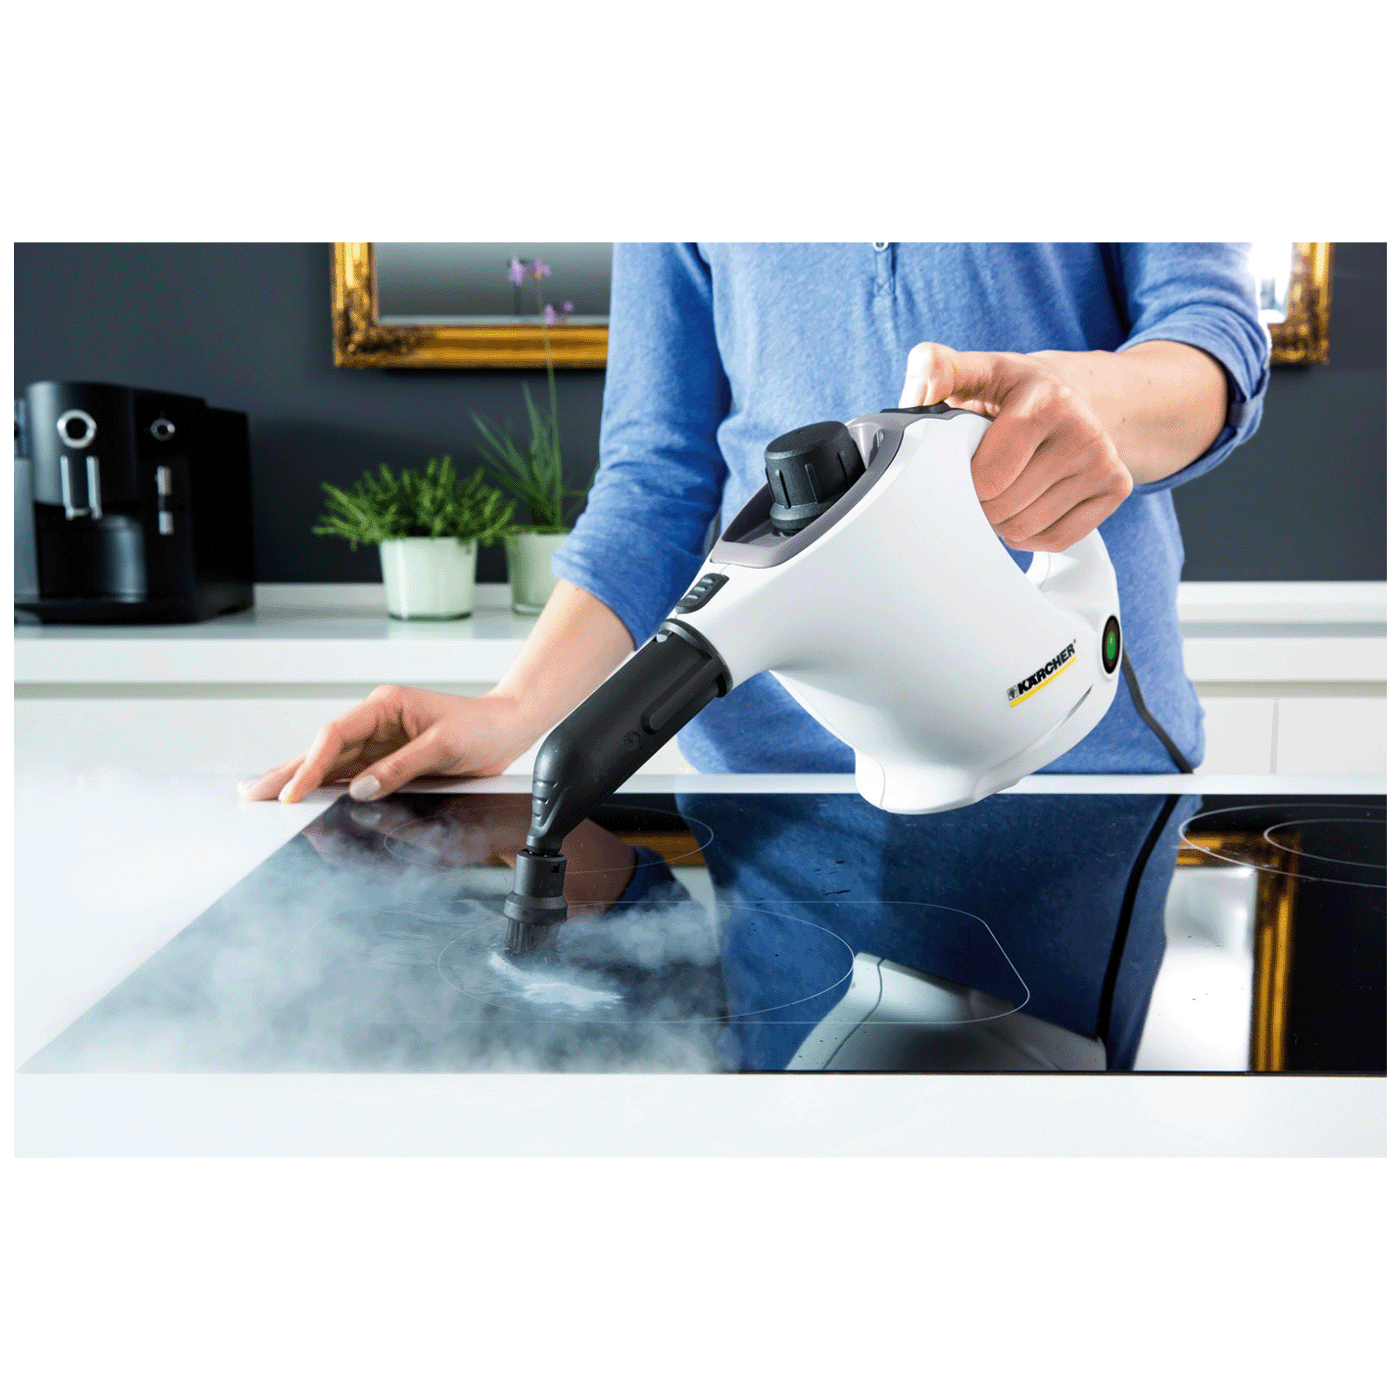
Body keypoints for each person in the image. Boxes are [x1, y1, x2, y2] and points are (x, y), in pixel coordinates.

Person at [241, 243, 1270, 1068]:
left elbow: (1211, 346)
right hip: (771, 797)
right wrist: (516, 711)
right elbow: (658, 475)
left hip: (1073, 770)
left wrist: (1085, 401)